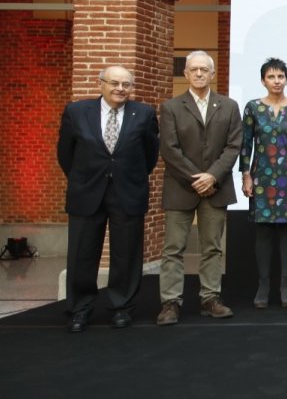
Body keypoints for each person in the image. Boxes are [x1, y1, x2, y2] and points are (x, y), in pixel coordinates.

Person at [57, 66, 160, 333]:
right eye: (114, 83)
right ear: (100, 83)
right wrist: (85, 178)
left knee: (126, 254)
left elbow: (150, 154)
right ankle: (80, 309)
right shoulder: (77, 112)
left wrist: (128, 177)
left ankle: (121, 307)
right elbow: (65, 154)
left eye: (126, 84)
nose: (120, 89)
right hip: (86, 192)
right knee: (82, 254)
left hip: (127, 193)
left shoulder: (144, 114)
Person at [156, 51, 242, 326]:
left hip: (216, 188)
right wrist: (197, 178)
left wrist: (213, 176)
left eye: (204, 69)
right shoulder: (171, 107)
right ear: (186, 74)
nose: (199, 74)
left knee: (213, 248)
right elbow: (169, 149)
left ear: (213, 74)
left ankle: (210, 298)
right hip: (181, 187)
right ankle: (170, 302)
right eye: (194, 69)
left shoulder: (228, 106)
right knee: (173, 248)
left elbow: (233, 146)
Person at [240, 57, 287, 309]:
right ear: (263, 80)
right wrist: (245, 174)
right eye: (271, 77)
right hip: (262, 177)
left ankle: (286, 285)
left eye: (280, 76)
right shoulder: (253, 108)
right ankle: (264, 285)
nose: (276, 81)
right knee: (264, 232)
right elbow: (246, 143)